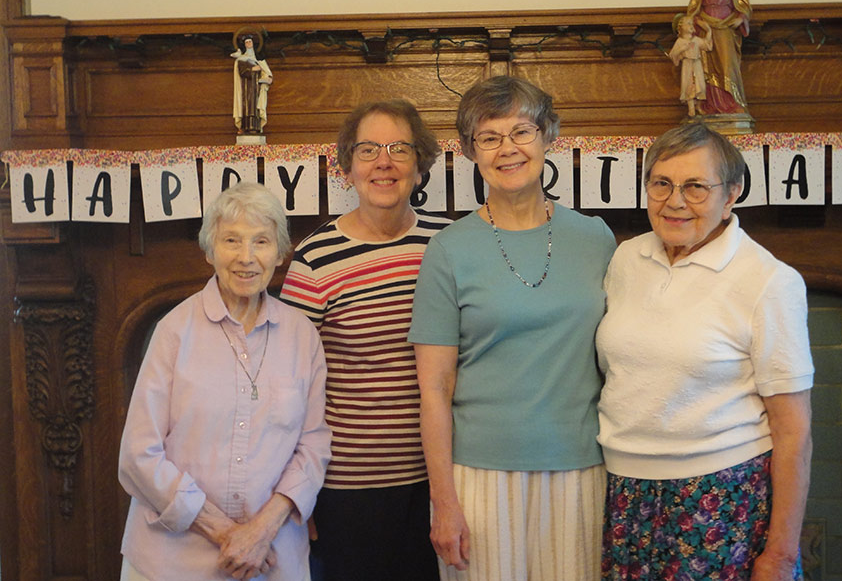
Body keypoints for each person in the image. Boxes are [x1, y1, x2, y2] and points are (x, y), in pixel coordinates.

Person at [409, 76, 616, 580]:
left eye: (522, 132)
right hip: (479, 477)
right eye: (489, 137)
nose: (508, 149)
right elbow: (434, 388)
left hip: (581, 468)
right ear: (470, 152)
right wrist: (443, 501)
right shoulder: (448, 250)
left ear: (548, 137)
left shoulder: (596, 239)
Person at [597, 123, 813, 580]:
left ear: (732, 192)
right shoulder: (625, 259)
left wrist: (780, 554)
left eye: (695, 186)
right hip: (626, 494)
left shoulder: (769, 282)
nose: (675, 201)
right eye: (661, 183)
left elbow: (794, 431)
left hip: (721, 499)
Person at [118, 181, 330, 581]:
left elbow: (313, 444)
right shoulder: (174, 331)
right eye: (232, 240)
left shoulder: (303, 336)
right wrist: (229, 534)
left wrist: (261, 530)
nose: (246, 257)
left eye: (262, 242)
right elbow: (138, 456)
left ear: (280, 253)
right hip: (171, 560)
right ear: (209, 250)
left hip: (271, 557)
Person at [281, 99, 448, 581]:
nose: (384, 162)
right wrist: (298, 490)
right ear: (347, 167)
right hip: (347, 489)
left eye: (399, 148)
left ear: (419, 165)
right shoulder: (314, 260)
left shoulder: (449, 243)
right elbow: (288, 385)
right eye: (369, 149)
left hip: (441, 482)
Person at [686, 0, 752, 115]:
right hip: (706, 26)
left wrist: (741, 18)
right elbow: (694, 7)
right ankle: (712, 105)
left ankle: (733, 102)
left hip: (726, 25)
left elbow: (744, 3)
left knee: (727, 64)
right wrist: (697, 21)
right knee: (708, 67)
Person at [670, 15, 713, 118]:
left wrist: (708, 32)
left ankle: (698, 106)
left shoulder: (696, 40)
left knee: (700, 85)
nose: (691, 26)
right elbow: (672, 54)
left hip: (697, 64)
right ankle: (691, 109)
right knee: (688, 86)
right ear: (681, 27)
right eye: (688, 23)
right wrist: (683, 49)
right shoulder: (680, 42)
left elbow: (707, 46)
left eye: (691, 23)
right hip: (687, 64)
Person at [232, 35, 273, 134]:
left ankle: (256, 126)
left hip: (257, 87)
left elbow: (266, 73)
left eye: (250, 42)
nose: (248, 44)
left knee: (255, 108)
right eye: (246, 42)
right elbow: (242, 72)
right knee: (247, 107)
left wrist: (267, 78)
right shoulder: (242, 59)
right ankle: (246, 126)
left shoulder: (259, 60)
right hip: (246, 87)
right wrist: (252, 69)